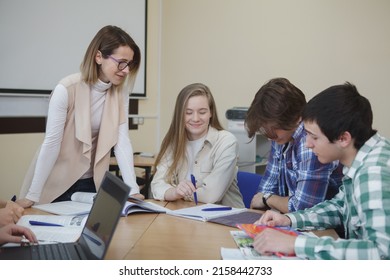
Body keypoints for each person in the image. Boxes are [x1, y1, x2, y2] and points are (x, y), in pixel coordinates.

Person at [253, 82, 390, 260]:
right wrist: (289, 220)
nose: (308, 144)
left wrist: (294, 244)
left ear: (343, 138)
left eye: (314, 137)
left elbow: (382, 253)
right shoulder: (360, 159)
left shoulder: (373, 173)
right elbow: (339, 208)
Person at [17, 25, 144, 208]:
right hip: (55, 181)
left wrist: (133, 190)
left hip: (91, 182)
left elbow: (122, 142)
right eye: (121, 62)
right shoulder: (66, 89)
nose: (126, 70)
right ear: (99, 56)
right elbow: (52, 143)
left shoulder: (121, 93)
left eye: (130, 64)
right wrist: (33, 194)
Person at [245, 77, 343, 213]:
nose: (269, 137)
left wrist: (268, 199)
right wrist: (265, 200)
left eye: (274, 129)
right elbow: (267, 186)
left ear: (296, 118)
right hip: (295, 221)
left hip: (325, 227)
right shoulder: (280, 136)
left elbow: (303, 207)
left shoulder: (309, 144)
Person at [151, 83, 245, 208]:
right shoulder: (173, 143)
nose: (195, 119)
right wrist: (174, 192)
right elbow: (157, 185)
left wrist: (180, 193)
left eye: (202, 112)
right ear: (180, 115)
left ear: (211, 113)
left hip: (224, 220)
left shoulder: (226, 142)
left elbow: (211, 196)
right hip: (186, 215)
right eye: (188, 112)